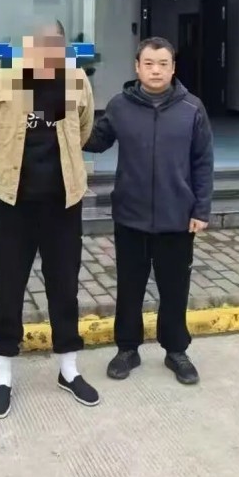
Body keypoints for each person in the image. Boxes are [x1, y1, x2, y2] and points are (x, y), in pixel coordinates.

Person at [0, 21, 98, 419]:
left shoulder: (74, 79)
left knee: (65, 285)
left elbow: (85, 128)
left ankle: (68, 369)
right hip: (15, 204)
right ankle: (4, 375)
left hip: (64, 203)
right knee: (8, 286)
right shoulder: (0, 76)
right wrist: (2, 166)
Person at [85, 37, 213, 386]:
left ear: (173, 68)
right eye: (149, 64)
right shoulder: (120, 106)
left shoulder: (192, 108)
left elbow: (203, 162)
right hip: (131, 216)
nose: (156, 70)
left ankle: (176, 351)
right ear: (137, 67)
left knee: (174, 288)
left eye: (163, 64)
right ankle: (127, 349)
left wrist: (201, 208)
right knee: (130, 287)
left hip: (177, 217)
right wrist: (61, 114)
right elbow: (94, 140)